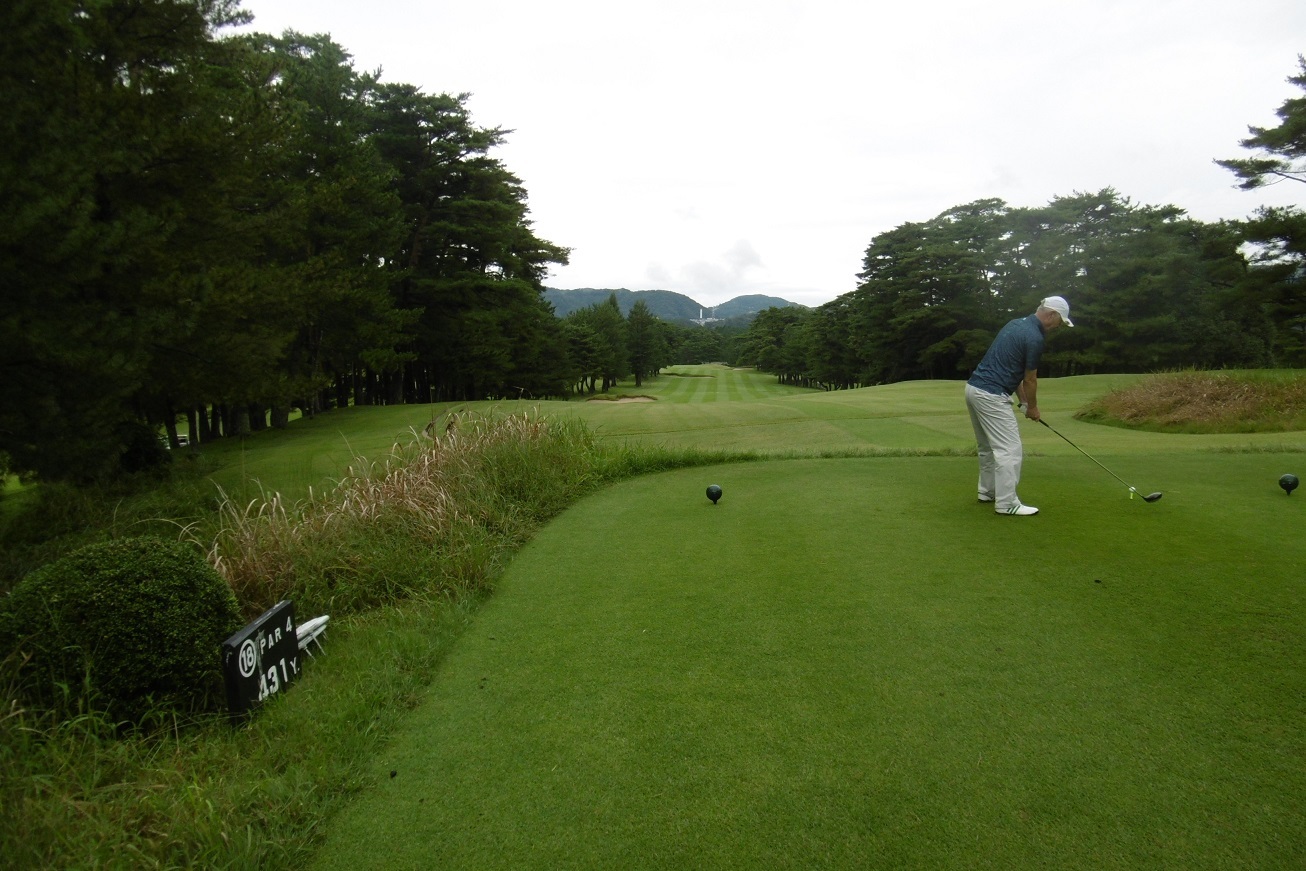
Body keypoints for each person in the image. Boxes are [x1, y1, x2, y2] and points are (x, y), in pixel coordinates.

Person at [964, 296, 1073, 516]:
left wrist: (1023, 401)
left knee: (987, 447)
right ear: (1051, 314)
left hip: (973, 389)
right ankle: (1006, 503)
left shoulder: (1015, 324)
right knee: (1010, 450)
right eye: (1059, 321)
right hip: (992, 395)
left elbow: (1011, 369)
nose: (1057, 326)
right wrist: (1032, 407)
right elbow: (1029, 378)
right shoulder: (1035, 338)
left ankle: (988, 491)